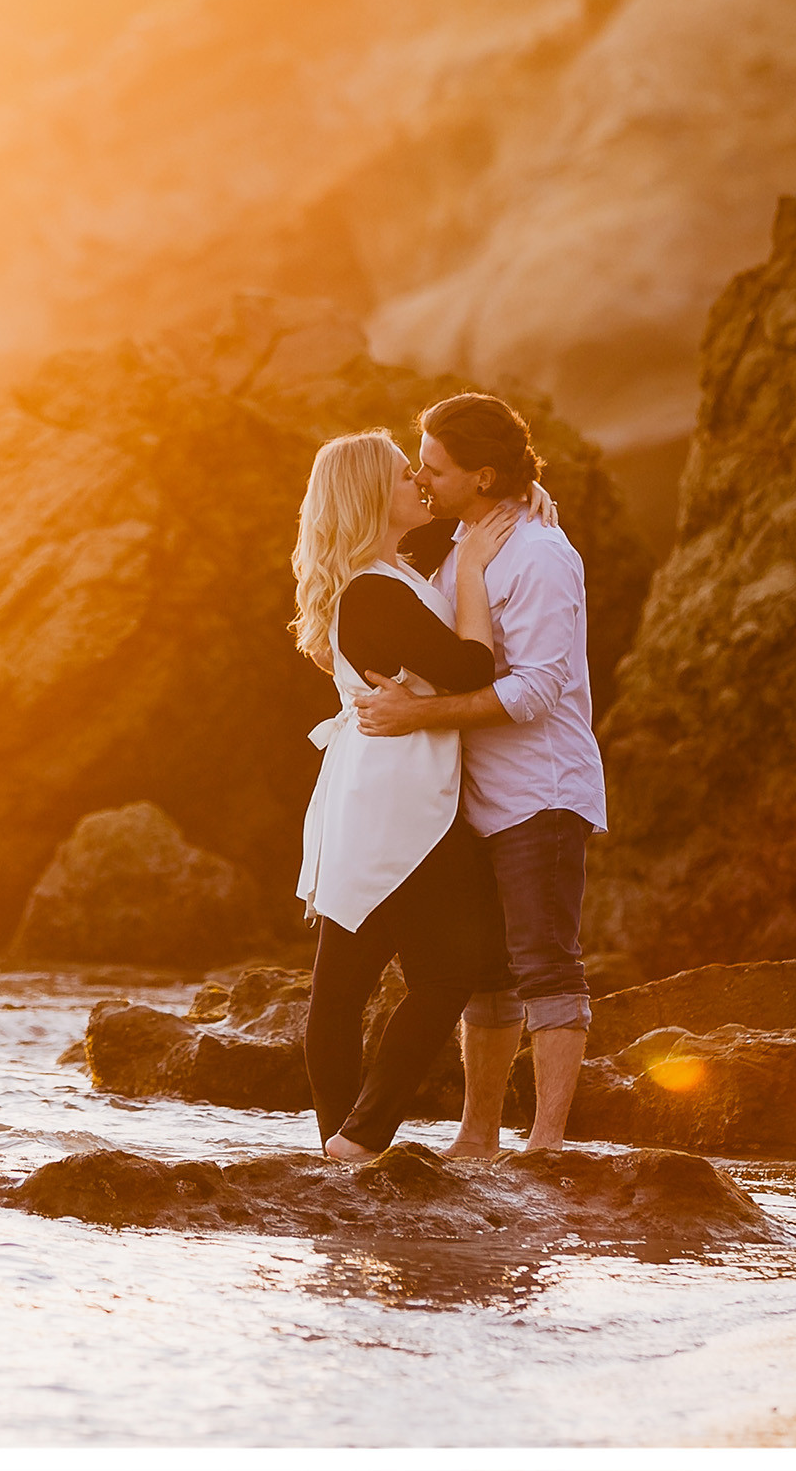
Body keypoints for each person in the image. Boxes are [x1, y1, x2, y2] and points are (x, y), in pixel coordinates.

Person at [354, 393, 609, 1154]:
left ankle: (549, 1141)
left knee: (545, 963)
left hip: (542, 794)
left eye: (434, 465)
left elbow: (535, 692)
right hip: (469, 798)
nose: (420, 476)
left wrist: (414, 717)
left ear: (485, 475)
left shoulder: (539, 556)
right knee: (487, 972)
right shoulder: (469, 534)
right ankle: (477, 1136)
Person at [289, 429, 523, 1162]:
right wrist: (479, 567)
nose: (417, 484)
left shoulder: (390, 578)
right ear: (366, 496)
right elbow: (468, 666)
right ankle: (354, 1140)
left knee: (352, 983)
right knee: (436, 972)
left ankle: (344, 1145)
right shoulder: (371, 591)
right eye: (401, 476)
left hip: (387, 794)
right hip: (395, 804)